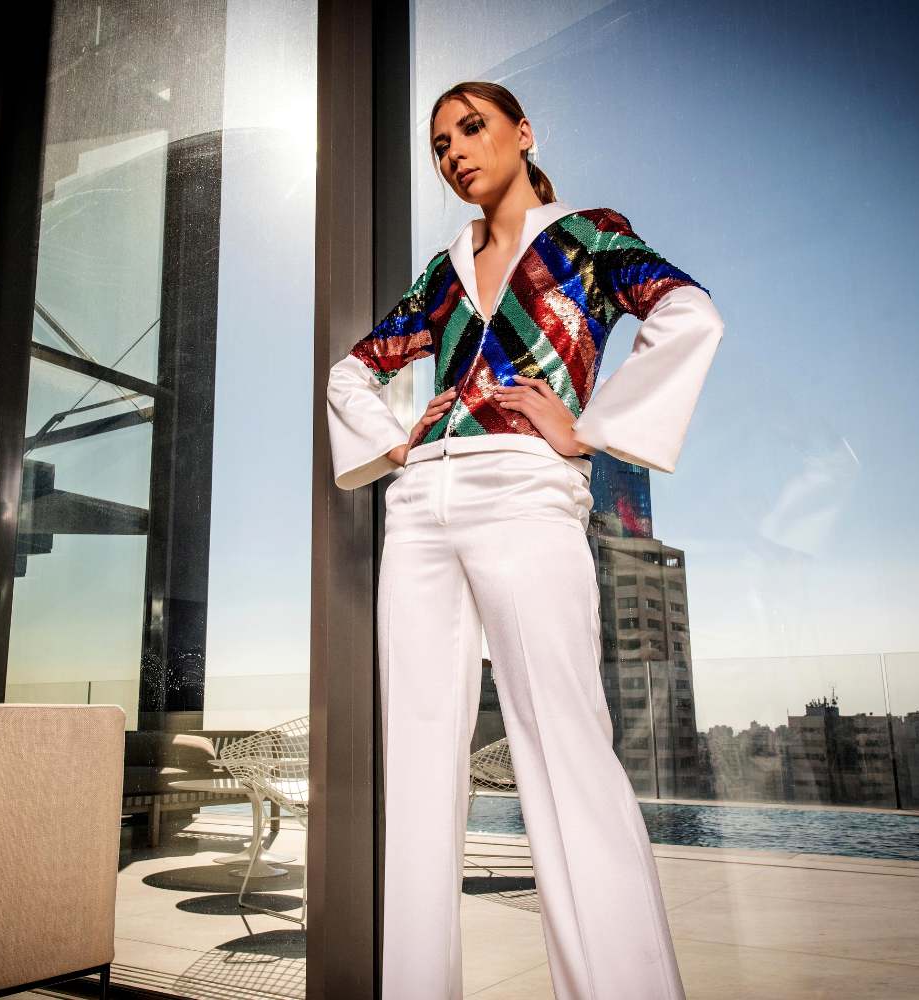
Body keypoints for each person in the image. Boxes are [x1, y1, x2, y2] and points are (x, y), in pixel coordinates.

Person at [328, 81, 723, 1000]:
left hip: (526, 495)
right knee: (419, 768)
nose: (455, 151)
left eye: (471, 128)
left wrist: (589, 431)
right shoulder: (441, 271)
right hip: (421, 506)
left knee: (566, 752)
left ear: (522, 132)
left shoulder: (587, 235)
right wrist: (395, 443)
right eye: (438, 145)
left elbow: (689, 313)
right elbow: (354, 369)